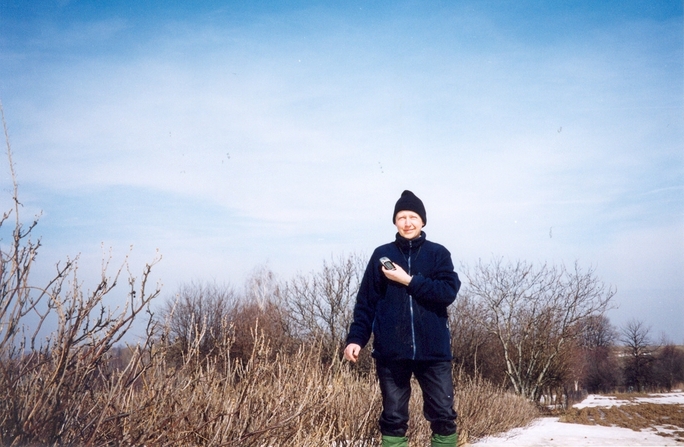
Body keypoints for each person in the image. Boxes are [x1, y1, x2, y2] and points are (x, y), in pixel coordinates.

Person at [344, 190, 461, 447]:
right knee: (393, 417)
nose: (407, 223)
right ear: (395, 222)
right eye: (401, 217)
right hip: (391, 352)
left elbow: (447, 292)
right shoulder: (381, 255)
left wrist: (407, 280)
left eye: (413, 217)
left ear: (422, 221)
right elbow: (366, 303)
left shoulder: (438, 254)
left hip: (433, 353)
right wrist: (356, 339)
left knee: (443, 415)